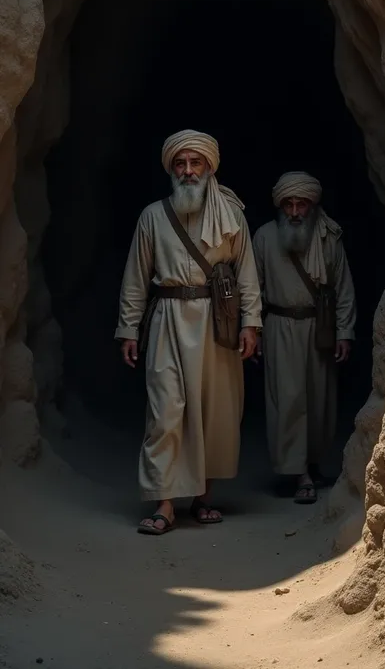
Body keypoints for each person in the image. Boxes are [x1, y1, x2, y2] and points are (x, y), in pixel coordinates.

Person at [115, 129, 262, 534]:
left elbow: (247, 275)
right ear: (171, 168)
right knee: (165, 412)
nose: (188, 171)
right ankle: (164, 503)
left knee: (214, 410)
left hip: (218, 325)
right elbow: (136, 278)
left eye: (195, 163)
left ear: (209, 167)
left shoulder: (232, 216)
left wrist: (251, 323)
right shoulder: (152, 217)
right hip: (166, 321)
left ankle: (203, 497)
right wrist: (128, 327)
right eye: (180, 163)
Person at [252, 171, 356, 504]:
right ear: (280, 206)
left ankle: (311, 463)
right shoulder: (265, 238)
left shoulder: (328, 237)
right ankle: (300, 474)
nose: (295, 212)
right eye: (289, 204)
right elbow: (252, 289)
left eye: (301, 205)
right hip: (279, 328)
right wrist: (251, 328)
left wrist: (344, 332)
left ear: (312, 206)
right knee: (289, 400)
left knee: (320, 401)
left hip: (319, 329)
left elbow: (343, 289)